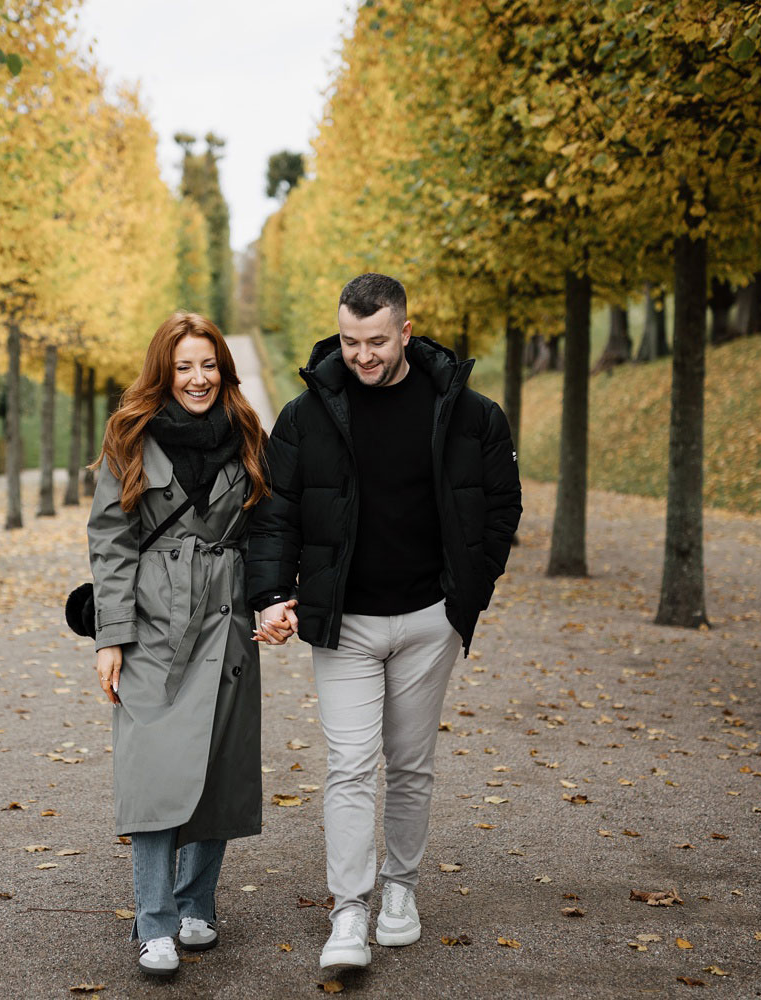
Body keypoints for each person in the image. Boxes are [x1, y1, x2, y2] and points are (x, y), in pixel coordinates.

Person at [245, 273, 522, 971]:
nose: (362, 355)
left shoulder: (472, 414)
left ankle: (400, 889)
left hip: (431, 619)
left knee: (410, 766)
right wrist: (274, 593)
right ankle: (348, 910)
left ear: (405, 330)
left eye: (375, 341)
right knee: (347, 765)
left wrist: (470, 594)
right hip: (346, 623)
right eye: (349, 341)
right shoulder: (304, 417)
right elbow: (276, 512)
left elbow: (500, 507)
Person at [87, 312, 292, 979]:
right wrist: (110, 637)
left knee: (218, 764)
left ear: (223, 371)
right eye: (184, 367)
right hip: (152, 620)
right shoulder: (130, 437)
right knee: (152, 769)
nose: (198, 378)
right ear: (163, 373)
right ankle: (154, 923)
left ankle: (196, 901)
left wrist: (272, 600)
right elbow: (111, 544)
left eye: (208, 365)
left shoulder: (249, 435)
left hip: (227, 616)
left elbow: (267, 530)